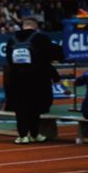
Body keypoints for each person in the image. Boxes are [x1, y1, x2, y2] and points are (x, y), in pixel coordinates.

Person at [6, 15, 62, 144]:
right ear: (36, 26)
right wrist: (55, 76)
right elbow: (48, 59)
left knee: (20, 107)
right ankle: (35, 134)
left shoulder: (11, 39)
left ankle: (22, 135)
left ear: (23, 25)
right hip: (37, 79)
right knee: (35, 107)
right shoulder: (41, 38)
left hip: (17, 79)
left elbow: (9, 60)